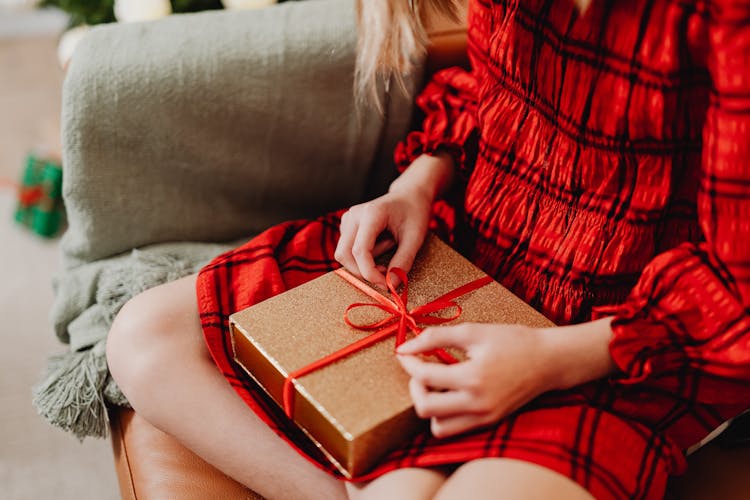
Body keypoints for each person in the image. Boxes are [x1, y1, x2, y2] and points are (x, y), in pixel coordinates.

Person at [105, 0, 750, 498]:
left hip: (625, 339)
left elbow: (738, 281)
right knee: (144, 338)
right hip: (471, 249)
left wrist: (551, 359)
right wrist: (418, 181)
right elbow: (494, 89)